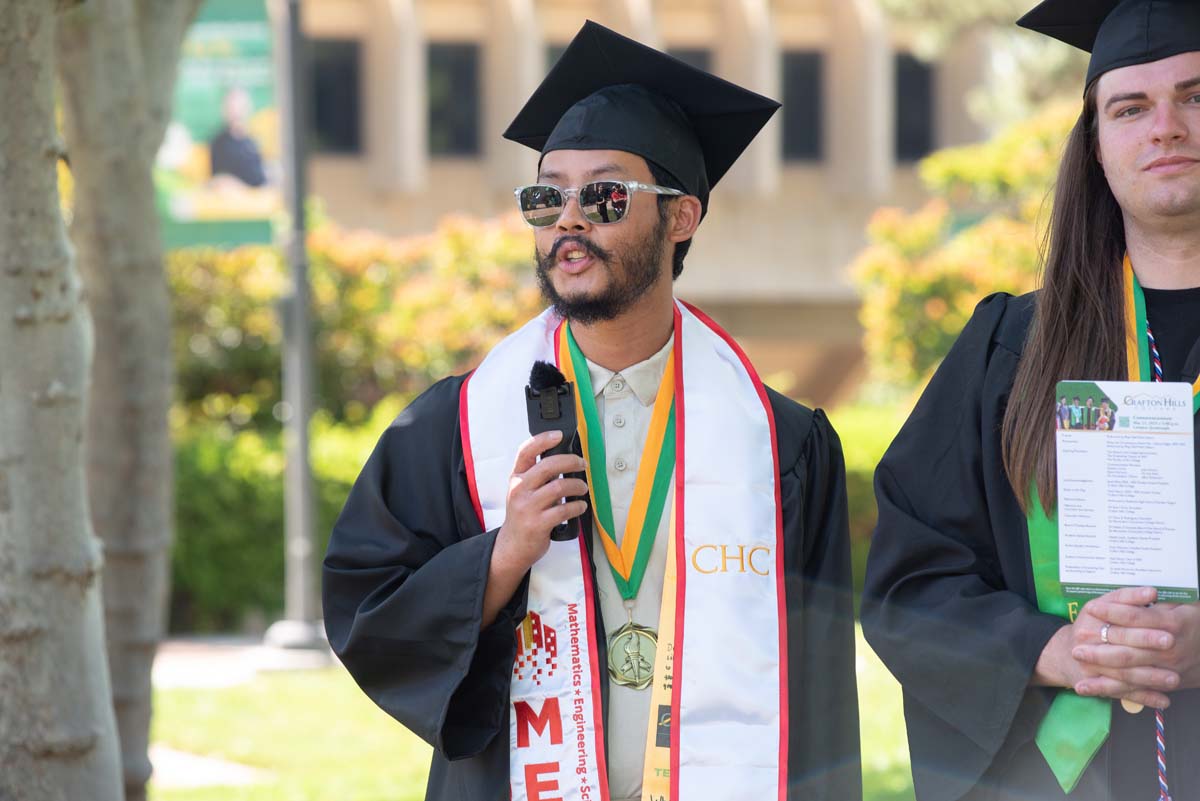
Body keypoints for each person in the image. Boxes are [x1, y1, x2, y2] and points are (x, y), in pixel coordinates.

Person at [322, 22, 861, 801]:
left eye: (603, 195)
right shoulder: (458, 425)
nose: (568, 220)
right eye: (547, 198)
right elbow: (366, 613)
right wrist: (500, 555)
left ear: (681, 217)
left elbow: (815, 694)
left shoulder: (782, 443)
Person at [862, 2, 1200, 800]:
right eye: (1130, 107)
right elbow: (912, 587)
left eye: (1195, 96)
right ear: (1095, 146)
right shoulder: (1012, 352)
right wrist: (1054, 650)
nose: (1166, 127)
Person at [208, 87, 267, 188]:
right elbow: (220, 179)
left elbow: (261, 176)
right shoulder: (219, 143)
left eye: (239, 106)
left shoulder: (253, 140)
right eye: (231, 106)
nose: (235, 110)